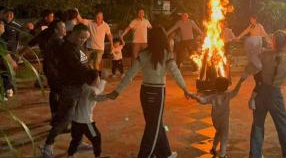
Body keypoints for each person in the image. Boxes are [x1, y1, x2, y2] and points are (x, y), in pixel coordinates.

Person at [107, 27, 192, 158]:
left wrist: (118, 91)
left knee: (155, 123)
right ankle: (145, 155)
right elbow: (175, 73)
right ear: (163, 38)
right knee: (153, 126)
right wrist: (185, 89)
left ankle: (165, 153)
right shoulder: (166, 54)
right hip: (157, 92)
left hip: (145, 91)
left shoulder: (144, 54)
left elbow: (130, 73)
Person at [246, 30, 286, 158]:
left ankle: (255, 154)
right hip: (275, 95)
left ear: (273, 42)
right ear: (285, 44)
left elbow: (251, 68)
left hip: (260, 93)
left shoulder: (263, 55)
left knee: (258, 124)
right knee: (282, 124)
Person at [41, 24, 92, 158]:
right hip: (70, 88)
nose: (83, 41)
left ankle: (77, 142)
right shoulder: (65, 49)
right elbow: (77, 67)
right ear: (73, 33)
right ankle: (48, 146)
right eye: (81, 37)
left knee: (80, 117)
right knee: (64, 119)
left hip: (81, 87)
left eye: (85, 39)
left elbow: (84, 63)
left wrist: (91, 70)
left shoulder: (78, 47)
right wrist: (95, 74)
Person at [192, 77, 243, 158]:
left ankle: (213, 148)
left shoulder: (213, 96)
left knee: (218, 133)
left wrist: (195, 97)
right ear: (227, 87)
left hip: (215, 120)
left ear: (215, 86)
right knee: (224, 137)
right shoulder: (228, 95)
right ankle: (222, 154)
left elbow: (203, 100)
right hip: (224, 121)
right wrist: (240, 81)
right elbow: (235, 91)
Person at [67, 69, 108, 158]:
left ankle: (70, 155)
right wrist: (104, 79)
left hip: (75, 122)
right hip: (87, 123)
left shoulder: (83, 87)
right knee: (96, 138)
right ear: (94, 80)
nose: (99, 80)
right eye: (98, 78)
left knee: (76, 140)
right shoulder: (91, 90)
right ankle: (97, 156)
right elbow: (99, 90)